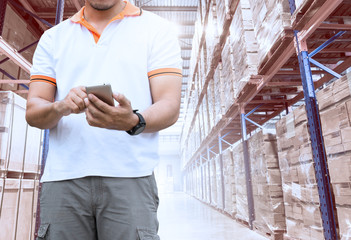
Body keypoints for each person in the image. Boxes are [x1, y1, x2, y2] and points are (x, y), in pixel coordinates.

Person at [25, 0, 182, 239]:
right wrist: (61, 106)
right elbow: (34, 110)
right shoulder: (53, 38)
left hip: (131, 177)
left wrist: (133, 121)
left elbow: (169, 105)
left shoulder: (157, 30)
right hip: (64, 179)